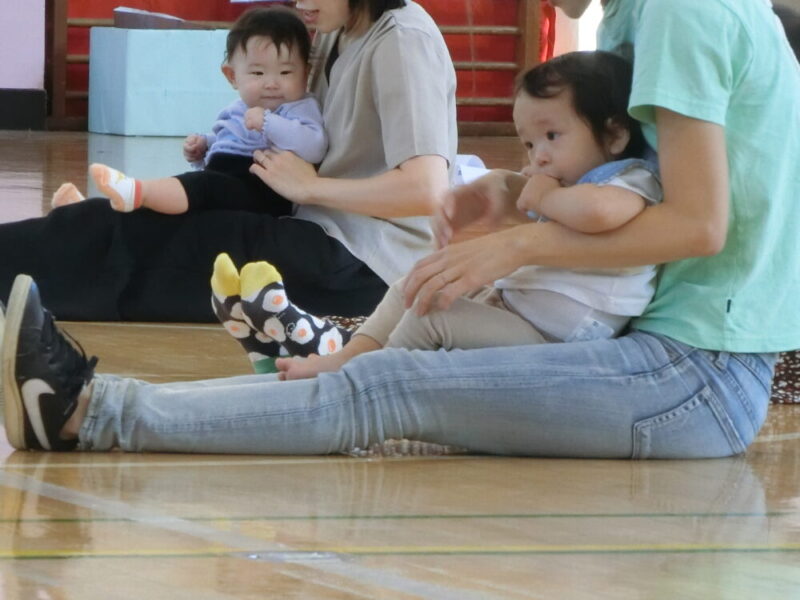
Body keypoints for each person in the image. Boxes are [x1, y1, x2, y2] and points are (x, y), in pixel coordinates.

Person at [3, 0, 799, 458]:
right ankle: (99, 399)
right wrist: (509, 189)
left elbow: (698, 225)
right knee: (386, 351)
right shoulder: (641, 16)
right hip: (647, 344)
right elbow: (624, 183)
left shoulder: (680, 13)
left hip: (693, 374)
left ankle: (87, 411)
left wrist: (519, 242)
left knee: (385, 387)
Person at [0, 0, 456, 340]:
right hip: (312, 223)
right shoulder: (338, 29)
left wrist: (313, 188)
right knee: (151, 218)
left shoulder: (402, 40)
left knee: (159, 246)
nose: (300, 2)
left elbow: (427, 190)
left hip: (364, 263)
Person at [267, 50, 663, 380]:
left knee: (429, 319)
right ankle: (345, 359)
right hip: (516, 312)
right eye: (529, 143)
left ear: (614, 135)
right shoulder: (564, 182)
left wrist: (545, 197)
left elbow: (598, 213)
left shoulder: (629, 179)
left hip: (557, 343)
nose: (539, 156)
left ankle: (365, 382)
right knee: (416, 285)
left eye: (552, 136)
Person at [53, 7, 326, 216]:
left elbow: (314, 146)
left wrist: (269, 123)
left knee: (196, 188)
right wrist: (204, 146)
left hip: (262, 191)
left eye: (286, 72)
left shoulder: (298, 107)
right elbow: (229, 142)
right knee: (174, 211)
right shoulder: (237, 109)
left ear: (306, 73)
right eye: (257, 73)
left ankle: (138, 191)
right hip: (223, 182)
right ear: (232, 76)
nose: (272, 83)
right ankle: (89, 214)